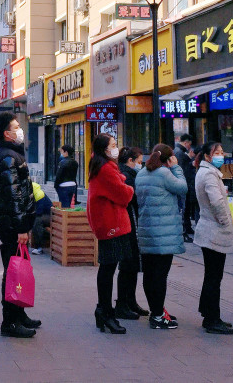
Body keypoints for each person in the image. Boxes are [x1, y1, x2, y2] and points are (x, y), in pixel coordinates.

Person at [0, 112, 39, 338]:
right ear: (7, 133)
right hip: (12, 226)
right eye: (16, 127)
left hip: (13, 223)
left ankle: (19, 314)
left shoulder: (10, 154)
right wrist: (20, 228)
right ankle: (10, 321)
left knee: (19, 269)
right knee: (12, 271)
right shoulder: (8, 158)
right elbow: (14, 196)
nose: (20, 130)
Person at [85, 133, 134, 333]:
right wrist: (128, 187)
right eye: (113, 145)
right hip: (111, 223)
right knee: (108, 269)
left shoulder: (102, 166)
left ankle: (103, 310)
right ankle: (106, 312)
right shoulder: (106, 169)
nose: (116, 148)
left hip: (108, 222)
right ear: (105, 150)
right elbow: (124, 194)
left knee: (108, 268)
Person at [135, 143, 186, 330]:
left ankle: (156, 310)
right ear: (168, 158)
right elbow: (182, 188)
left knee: (149, 274)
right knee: (160, 275)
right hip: (163, 234)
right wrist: (177, 168)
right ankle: (157, 316)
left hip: (147, 231)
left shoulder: (141, 173)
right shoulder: (165, 174)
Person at [193, 142, 233, 334]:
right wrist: (225, 222)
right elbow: (217, 202)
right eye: (216, 153)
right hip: (214, 231)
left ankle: (209, 314)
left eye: (221, 152)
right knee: (214, 277)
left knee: (212, 275)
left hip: (208, 228)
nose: (221, 155)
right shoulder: (209, 174)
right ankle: (212, 319)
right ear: (207, 157)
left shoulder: (205, 172)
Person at [116, 147, 147, 319]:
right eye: (140, 162)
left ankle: (130, 301)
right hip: (127, 224)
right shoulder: (127, 176)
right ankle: (123, 303)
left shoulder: (128, 173)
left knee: (132, 264)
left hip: (129, 223)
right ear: (130, 161)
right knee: (128, 264)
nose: (140, 165)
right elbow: (133, 199)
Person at [175, 133, 197, 242]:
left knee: (185, 209)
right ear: (186, 143)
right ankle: (184, 231)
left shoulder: (178, 152)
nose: (189, 147)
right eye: (189, 144)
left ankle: (187, 228)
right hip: (184, 185)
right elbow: (183, 170)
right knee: (183, 209)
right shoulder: (180, 153)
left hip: (184, 185)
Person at [30, 182, 53, 254]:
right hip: (41, 215)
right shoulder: (32, 194)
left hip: (49, 215)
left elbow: (39, 212)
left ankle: (39, 247)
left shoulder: (39, 195)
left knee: (37, 221)